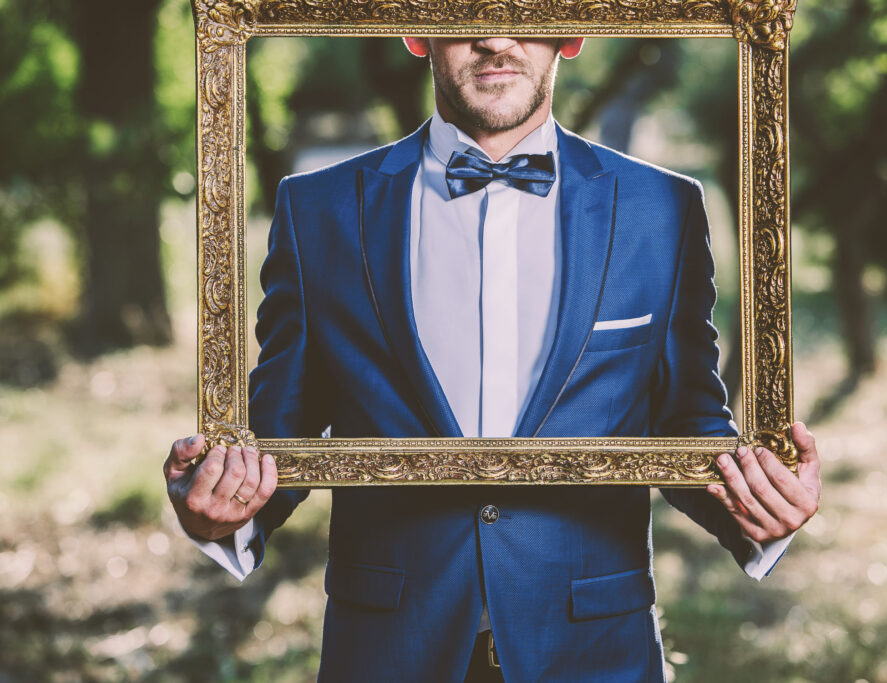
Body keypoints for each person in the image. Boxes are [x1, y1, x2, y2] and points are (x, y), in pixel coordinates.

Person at [164, 36, 821, 682]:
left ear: (572, 31)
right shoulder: (320, 210)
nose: (496, 37)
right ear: (416, 30)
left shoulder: (663, 208)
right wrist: (223, 509)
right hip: (391, 649)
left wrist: (758, 502)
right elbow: (283, 433)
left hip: (594, 651)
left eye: (527, 11)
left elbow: (686, 423)